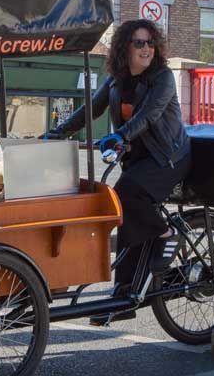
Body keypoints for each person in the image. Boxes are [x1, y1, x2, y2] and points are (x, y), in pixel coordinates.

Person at [44, 20, 191, 319]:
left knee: (125, 194)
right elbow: (89, 109)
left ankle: (167, 232)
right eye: (139, 43)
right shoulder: (115, 80)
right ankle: (125, 294)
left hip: (168, 157)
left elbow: (149, 116)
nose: (146, 48)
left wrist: (121, 135)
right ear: (125, 47)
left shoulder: (162, 78)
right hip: (139, 158)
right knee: (125, 216)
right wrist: (57, 133)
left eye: (150, 43)